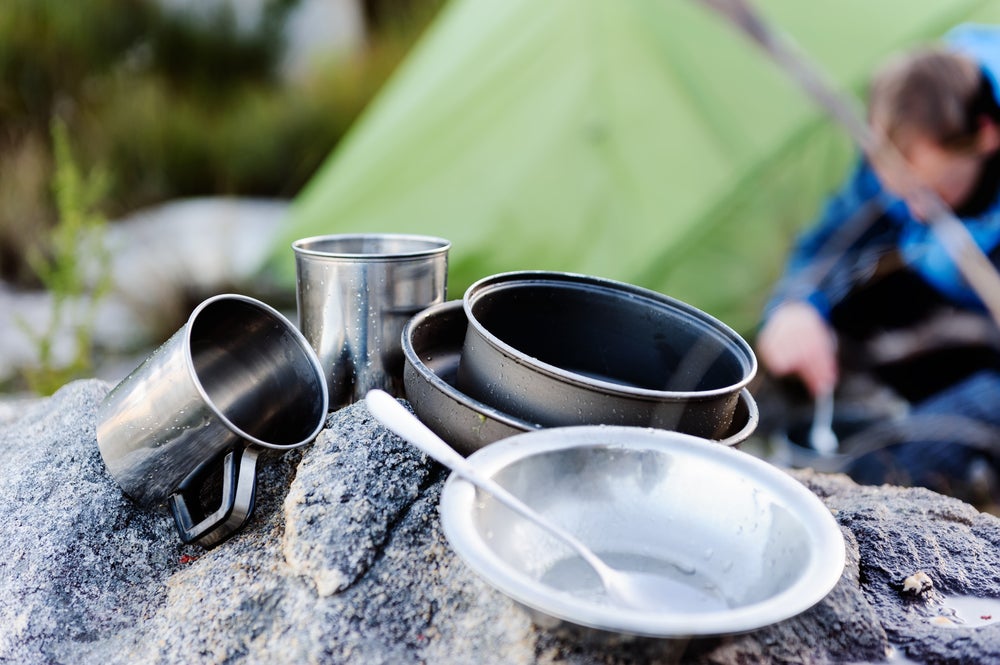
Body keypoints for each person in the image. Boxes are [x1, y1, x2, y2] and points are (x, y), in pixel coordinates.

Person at [757, 24, 1000, 503]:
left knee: (909, 458)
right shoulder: (910, 138)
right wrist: (795, 305)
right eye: (899, 190)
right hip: (949, 298)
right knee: (826, 319)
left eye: (930, 193)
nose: (912, 210)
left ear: (987, 136)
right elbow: (837, 238)